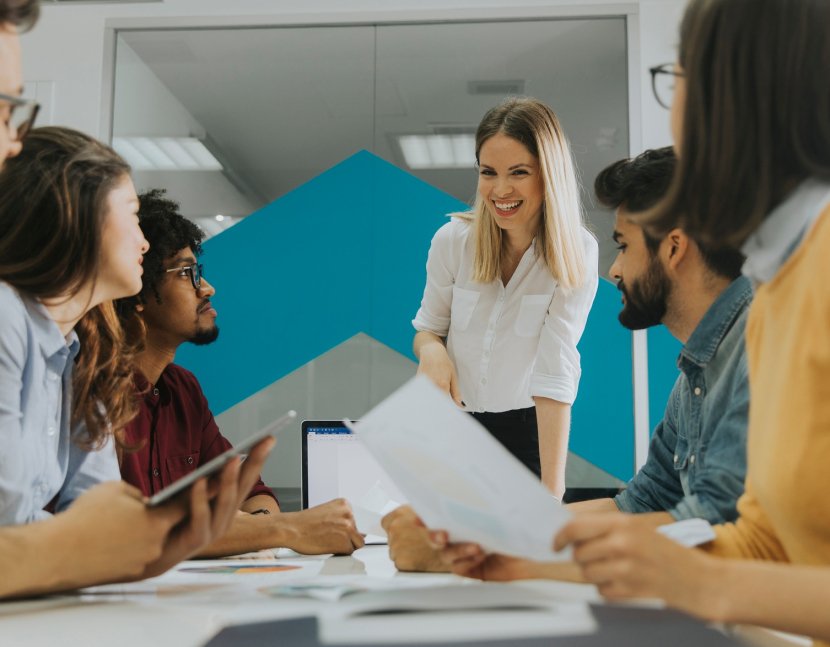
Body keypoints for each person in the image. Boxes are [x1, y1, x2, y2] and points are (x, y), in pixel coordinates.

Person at [525, 0, 830, 642]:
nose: (676, 105)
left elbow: (721, 545)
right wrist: (509, 558)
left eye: (679, 75)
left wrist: (694, 580)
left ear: (736, 92)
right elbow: (759, 539)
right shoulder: (781, 282)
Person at [385, 147, 752, 575]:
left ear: (673, 249)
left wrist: (483, 554)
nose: (614, 270)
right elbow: (640, 504)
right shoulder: (698, 371)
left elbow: (715, 532)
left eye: (624, 246)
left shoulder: (761, 355)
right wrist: (470, 534)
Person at [0, 106, 274, 595]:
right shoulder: (7, 321)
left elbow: (98, 520)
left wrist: (173, 535)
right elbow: (83, 535)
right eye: (130, 216)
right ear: (74, 217)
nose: (145, 243)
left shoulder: (80, 356)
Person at [116, 189, 364, 557]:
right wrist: (285, 529)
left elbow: (250, 494)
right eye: (187, 273)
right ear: (138, 290)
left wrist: (258, 527)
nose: (207, 287)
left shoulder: (182, 390)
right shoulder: (94, 394)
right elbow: (127, 532)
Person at [413, 97, 598, 497]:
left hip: (527, 433)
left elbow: (555, 371)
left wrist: (552, 490)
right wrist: (433, 352)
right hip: (454, 427)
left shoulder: (576, 253)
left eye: (518, 172)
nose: (500, 190)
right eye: (488, 172)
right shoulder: (452, 242)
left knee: (524, 550)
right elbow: (428, 330)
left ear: (548, 175)